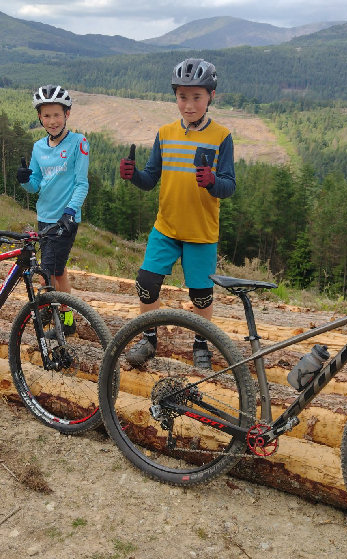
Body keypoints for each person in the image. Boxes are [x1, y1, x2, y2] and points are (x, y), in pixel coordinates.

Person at [119, 58, 235, 369]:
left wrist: (212, 182)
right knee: (146, 283)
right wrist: (133, 175)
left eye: (197, 97)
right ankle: (149, 339)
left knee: (201, 295)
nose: (189, 105)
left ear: (211, 96)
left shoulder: (221, 136)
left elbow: (229, 186)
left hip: (201, 232)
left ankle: (201, 343)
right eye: (182, 97)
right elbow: (150, 179)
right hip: (166, 228)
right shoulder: (165, 133)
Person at [16, 85, 89, 333]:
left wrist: (70, 211)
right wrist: (25, 180)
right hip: (44, 217)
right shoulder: (38, 147)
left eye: (57, 114)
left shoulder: (79, 142)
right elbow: (35, 185)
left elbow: (81, 183)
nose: (52, 121)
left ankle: (52, 312)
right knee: (58, 271)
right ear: (40, 117)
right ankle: (66, 319)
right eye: (46, 115)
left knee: (46, 272)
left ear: (67, 114)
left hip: (65, 219)